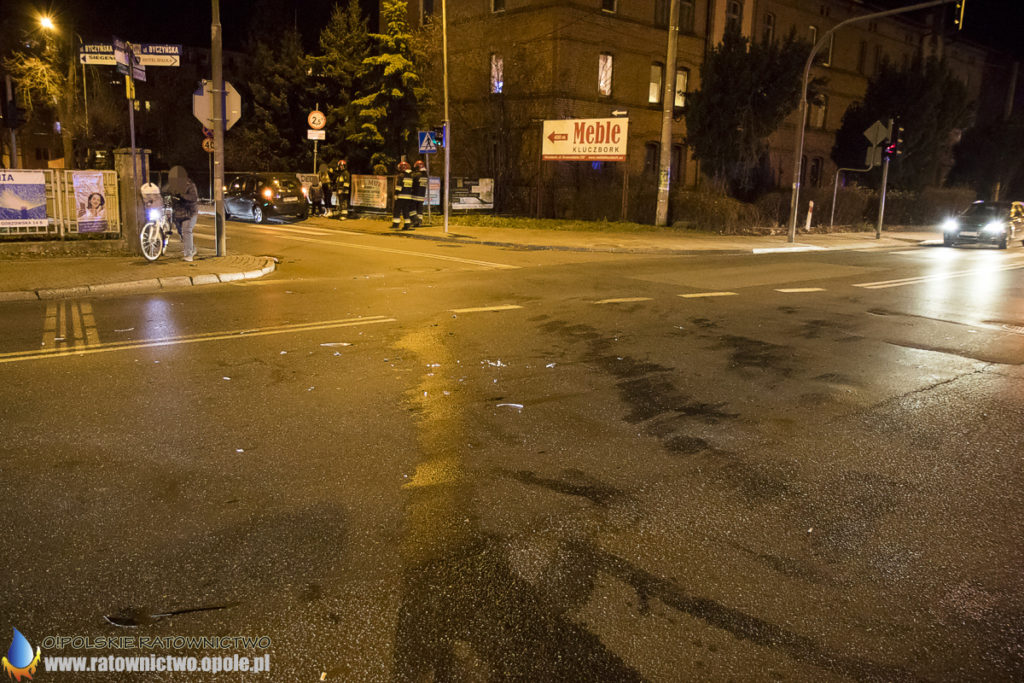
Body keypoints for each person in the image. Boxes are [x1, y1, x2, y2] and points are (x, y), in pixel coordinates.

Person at [162, 166, 199, 262]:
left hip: (189, 212)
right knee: (181, 232)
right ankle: (192, 249)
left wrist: (182, 196)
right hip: (178, 213)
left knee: (186, 231)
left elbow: (193, 197)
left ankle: (188, 255)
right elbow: (164, 190)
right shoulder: (171, 185)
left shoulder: (190, 185)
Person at [391, 161, 416, 230]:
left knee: (397, 210)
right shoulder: (411, 176)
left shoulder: (401, 175)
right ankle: (407, 225)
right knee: (406, 211)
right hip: (408, 197)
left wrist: (396, 194)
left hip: (401, 196)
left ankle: (396, 224)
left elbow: (399, 186)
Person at [411, 160, 427, 227]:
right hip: (422, 195)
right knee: (420, 209)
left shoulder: (416, 175)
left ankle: (415, 220)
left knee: (412, 208)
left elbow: (412, 180)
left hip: (415, 195)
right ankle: (419, 221)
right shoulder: (425, 175)